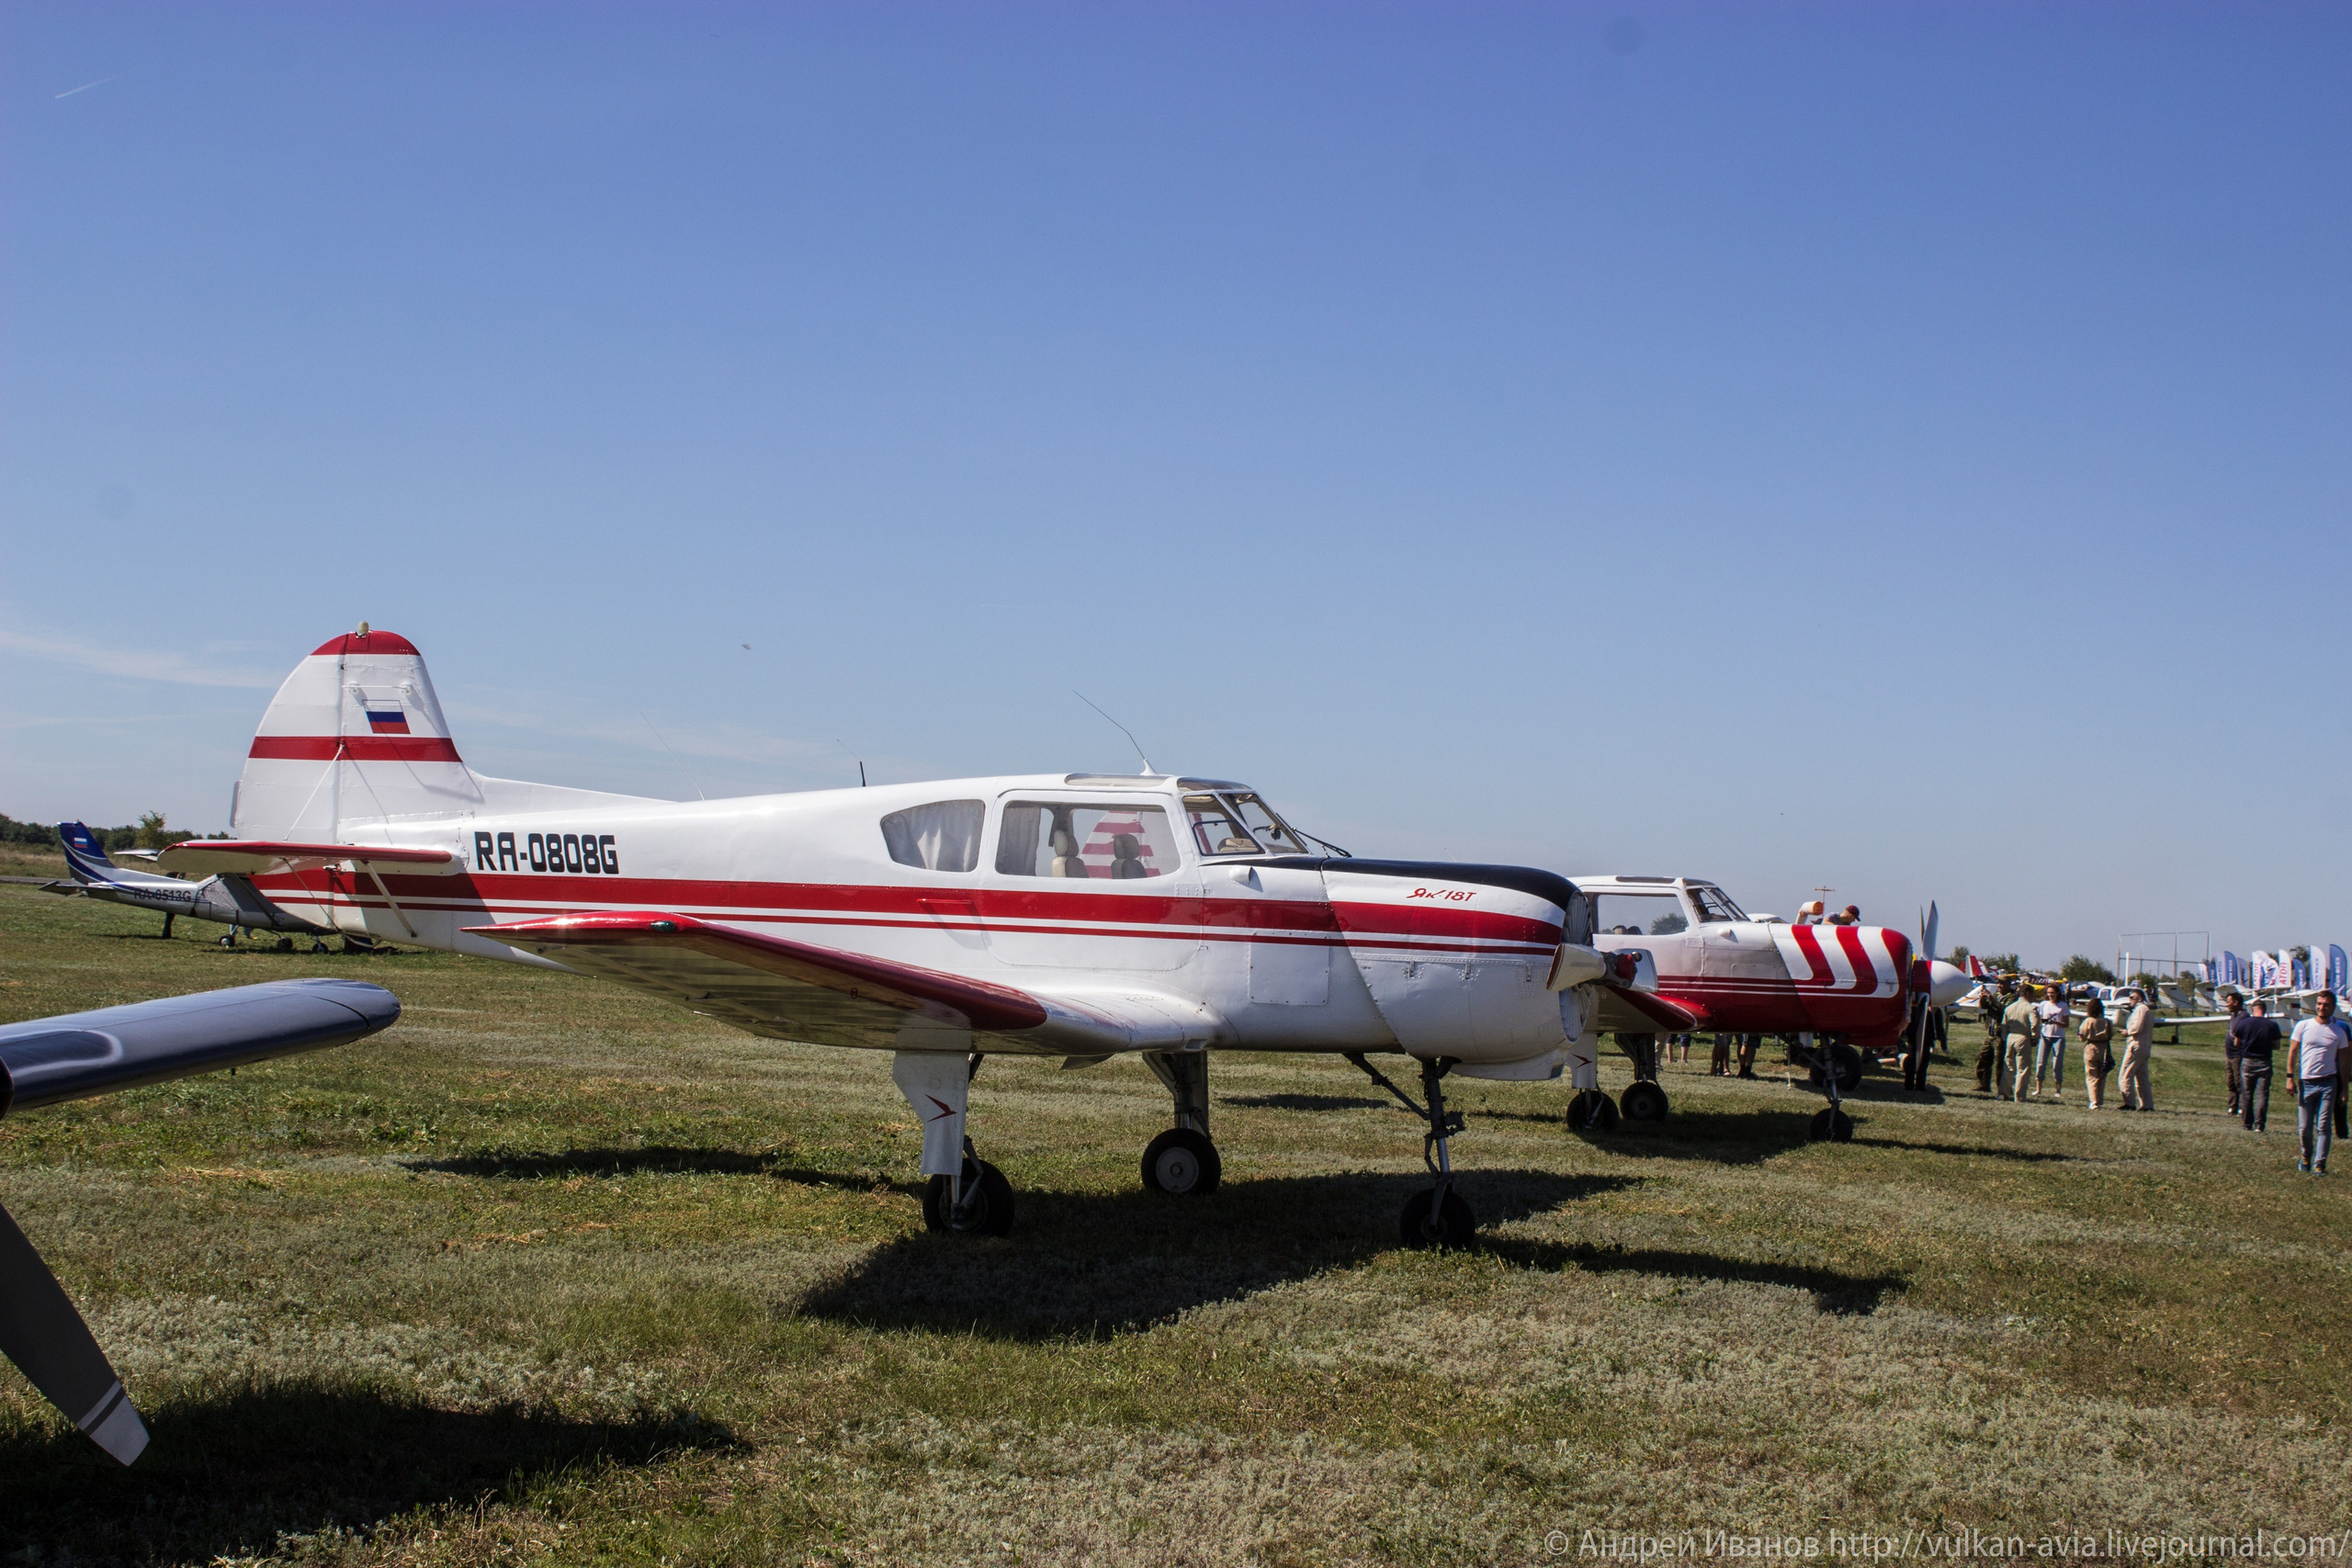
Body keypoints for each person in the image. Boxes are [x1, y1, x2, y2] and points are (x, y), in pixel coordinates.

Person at [2290, 991, 2346, 1174]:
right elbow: (2292, 1052)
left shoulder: (2339, 1032)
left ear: (2333, 1007)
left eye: (2326, 1004)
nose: (2322, 1007)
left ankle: (2319, 1164)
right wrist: (2289, 1078)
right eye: (2320, 1004)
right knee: (2304, 1128)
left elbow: (2344, 1062)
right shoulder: (2303, 1025)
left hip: (2328, 1083)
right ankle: (2306, 1155)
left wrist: (2344, 1088)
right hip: (2306, 1082)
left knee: (2323, 1126)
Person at [2237, 998, 2279, 1134]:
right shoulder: (2272, 1025)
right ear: (2265, 1010)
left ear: (2252, 1009)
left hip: (2248, 1061)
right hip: (2264, 1061)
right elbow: (2277, 1046)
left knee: (2247, 1094)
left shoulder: (2244, 1023)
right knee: (2262, 1094)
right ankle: (2259, 1125)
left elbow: (2236, 1043)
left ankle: (2246, 1123)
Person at [2117, 987, 2156, 1112]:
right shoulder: (2148, 1011)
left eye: (2132, 998)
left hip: (2136, 1045)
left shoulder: (2140, 1009)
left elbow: (2137, 1027)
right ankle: (2147, 1105)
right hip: (2145, 1046)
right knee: (2141, 1077)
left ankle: (2129, 1103)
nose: (2130, 1000)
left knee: (2125, 1074)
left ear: (2139, 999)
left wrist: (2127, 1032)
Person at [2004, 985, 2042, 1101]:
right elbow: (2035, 1025)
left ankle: (2003, 1093)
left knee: (2008, 1067)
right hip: (2023, 1036)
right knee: (2022, 1068)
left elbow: (2004, 1025)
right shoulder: (2031, 1008)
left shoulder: (2009, 1007)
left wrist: (2005, 1037)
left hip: (2010, 1037)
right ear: (2028, 994)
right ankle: (2019, 1096)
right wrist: (2035, 1037)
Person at [2032, 985, 2070, 1099]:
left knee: (2057, 1063)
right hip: (2045, 1035)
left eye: (2052, 992)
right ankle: (2038, 1089)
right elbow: (2038, 1018)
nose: (2050, 995)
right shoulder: (2043, 1005)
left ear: (2058, 993)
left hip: (2058, 1037)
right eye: (2048, 993)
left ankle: (2058, 1090)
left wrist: (2055, 1023)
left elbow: (2066, 1024)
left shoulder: (2063, 1006)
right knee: (2041, 1062)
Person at [2078, 999, 2114, 1110]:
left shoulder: (2089, 1021)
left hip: (2091, 1047)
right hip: (2104, 1048)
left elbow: (2082, 1036)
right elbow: (2111, 1035)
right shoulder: (2107, 1021)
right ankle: (2099, 1100)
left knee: (2091, 1075)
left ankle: (2093, 1101)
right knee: (2102, 1076)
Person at [1976, 979, 2011, 1092]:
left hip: (2001, 1033)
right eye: (1999, 983)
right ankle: (1983, 1084)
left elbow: (2006, 1010)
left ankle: (2002, 1088)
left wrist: (1993, 1000)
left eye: (2002, 983)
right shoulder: (1996, 995)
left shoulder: (2011, 997)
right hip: (1991, 1032)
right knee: (1983, 1058)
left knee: (1999, 1063)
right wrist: (1983, 998)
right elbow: (1984, 1007)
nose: (2000, 986)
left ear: (2008, 984)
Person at [2220, 988, 2248, 1114]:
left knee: (2239, 1081)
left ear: (2236, 1003)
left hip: (2238, 1054)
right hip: (2229, 1054)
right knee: (2230, 1082)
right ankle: (2232, 1106)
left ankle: (2243, 1107)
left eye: (2229, 1002)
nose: (2227, 1004)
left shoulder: (2244, 1017)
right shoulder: (2233, 1016)